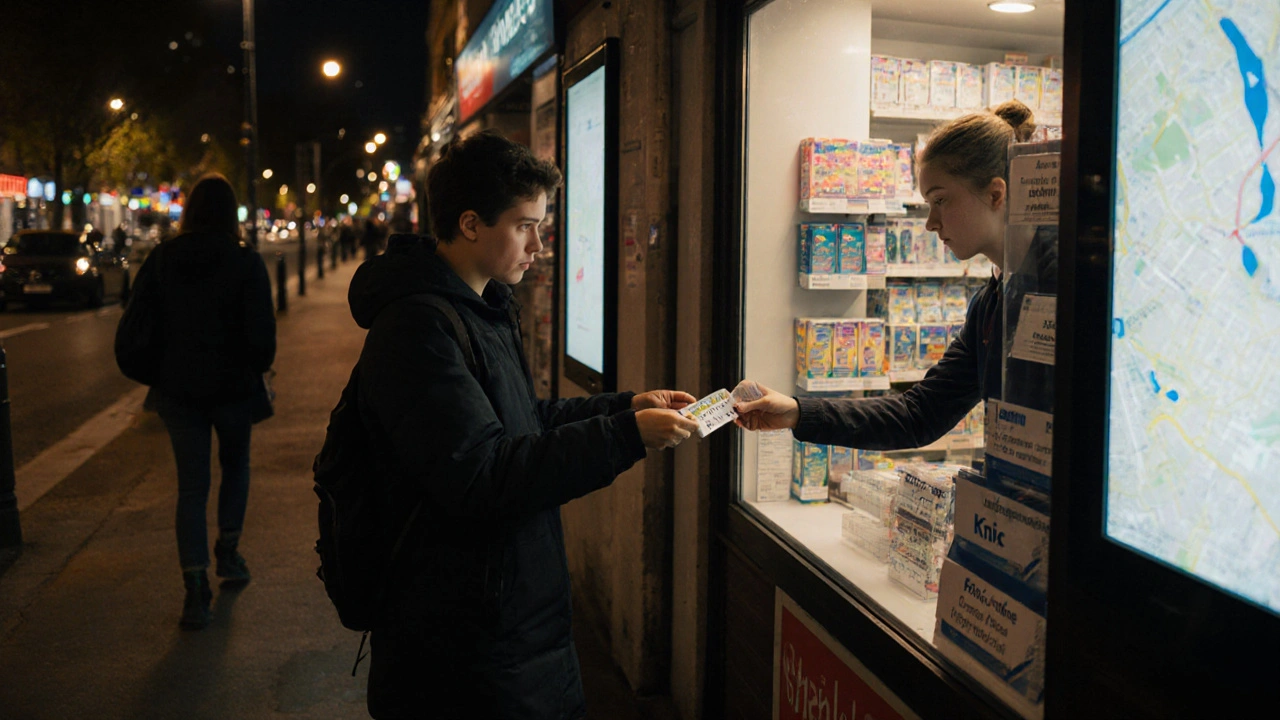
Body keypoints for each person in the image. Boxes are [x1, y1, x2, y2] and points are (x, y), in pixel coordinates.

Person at [347, 130, 699, 719]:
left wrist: (627, 407)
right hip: (461, 643)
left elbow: (523, 423)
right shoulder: (419, 330)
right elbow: (481, 474)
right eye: (524, 225)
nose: (540, 243)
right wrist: (625, 438)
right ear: (470, 224)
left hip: (507, 622)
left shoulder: (482, 306)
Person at [736, 101, 1041, 450]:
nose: (930, 222)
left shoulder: (1058, 282)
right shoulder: (990, 303)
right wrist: (797, 412)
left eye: (940, 200)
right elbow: (919, 414)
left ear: (995, 193)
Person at [128, 174, 276, 630]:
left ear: (189, 210)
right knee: (236, 466)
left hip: (179, 393)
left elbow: (137, 328)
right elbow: (263, 340)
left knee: (191, 489)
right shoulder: (244, 261)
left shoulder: (162, 259)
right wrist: (251, 368)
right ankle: (229, 552)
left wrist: (160, 373)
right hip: (233, 390)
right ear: (231, 213)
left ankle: (195, 589)